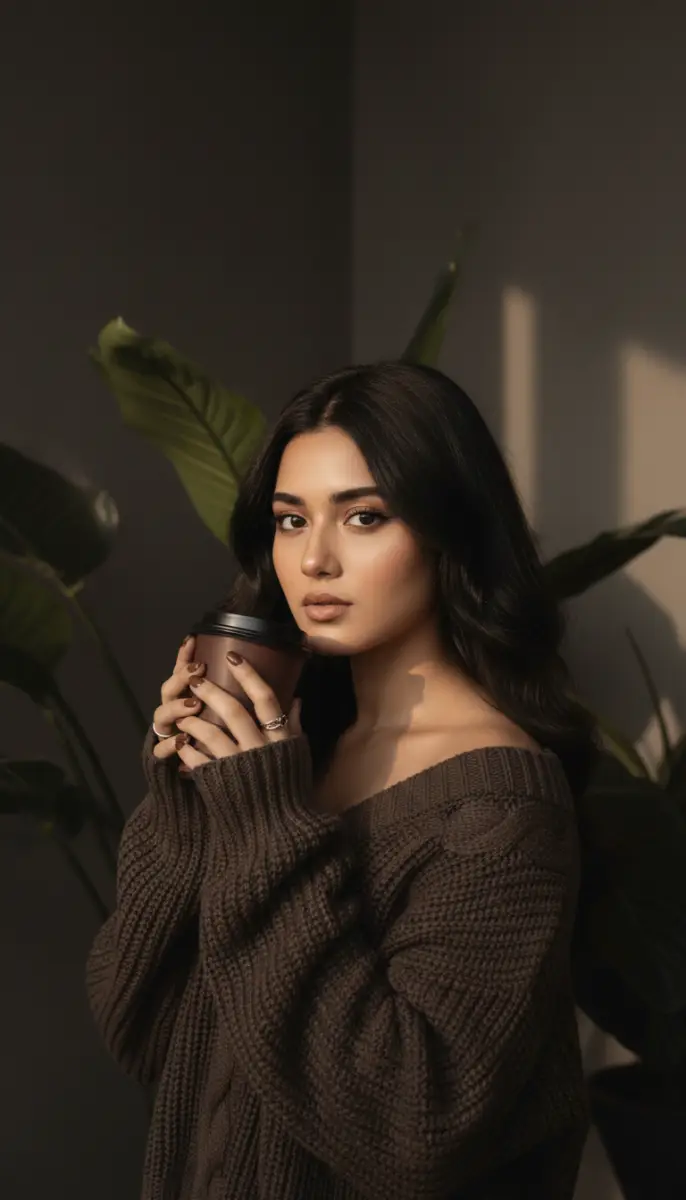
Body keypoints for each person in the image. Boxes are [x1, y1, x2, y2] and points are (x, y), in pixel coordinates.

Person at [85, 361, 599, 1200]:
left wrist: (260, 825)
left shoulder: (501, 806)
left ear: (447, 532)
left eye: (364, 517)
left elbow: (409, 1130)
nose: (315, 560)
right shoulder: (298, 755)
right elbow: (143, 1030)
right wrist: (190, 802)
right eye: (291, 521)